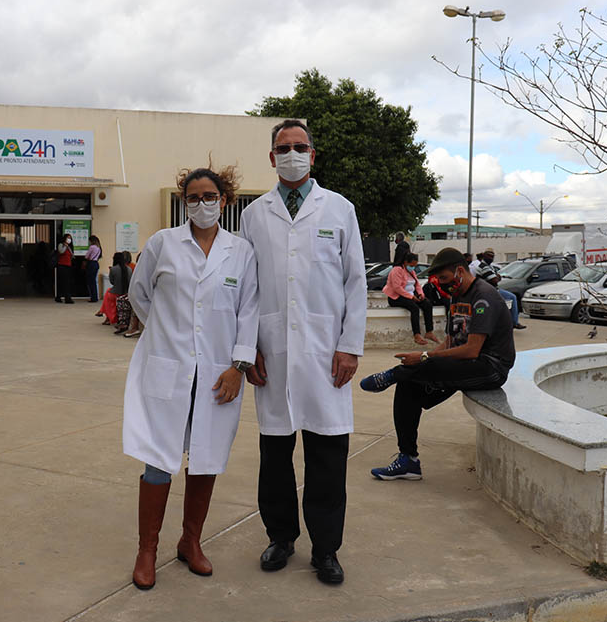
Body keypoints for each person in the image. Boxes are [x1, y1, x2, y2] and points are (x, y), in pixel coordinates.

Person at [239, 119, 367, 585]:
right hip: (271, 351)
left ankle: (326, 549)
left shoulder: (339, 209)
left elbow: (356, 282)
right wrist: (247, 348)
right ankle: (281, 537)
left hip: (325, 352)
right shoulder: (254, 214)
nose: (291, 154)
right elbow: (246, 289)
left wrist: (349, 346)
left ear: (312, 155)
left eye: (299, 147)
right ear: (272, 158)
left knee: (327, 456)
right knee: (275, 456)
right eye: (283, 148)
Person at [123, 165, 258, 590]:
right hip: (168, 368)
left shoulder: (241, 251)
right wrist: (163, 334)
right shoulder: (163, 243)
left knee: (205, 456)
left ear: (224, 200)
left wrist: (239, 366)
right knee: (158, 458)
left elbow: (248, 310)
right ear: (185, 203)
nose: (202, 204)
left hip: (218, 373)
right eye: (194, 197)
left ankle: (190, 542)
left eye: (209, 196)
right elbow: (138, 294)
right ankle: (147, 550)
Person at [361, 247, 515, 480]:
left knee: (414, 370)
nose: (442, 284)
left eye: (444, 278)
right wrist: (424, 357)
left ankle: (393, 374)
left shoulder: (484, 296)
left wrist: (424, 357)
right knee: (409, 384)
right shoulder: (457, 296)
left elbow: (471, 349)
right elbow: (451, 341)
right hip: (464, 365)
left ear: (460, 271)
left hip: (490, 367)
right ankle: (408, 460)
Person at [384, 252, 440, 346]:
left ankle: (429, 331)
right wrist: (411, 297)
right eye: (411, 265)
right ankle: (416, 335)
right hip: (396, 297)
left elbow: (417, 285)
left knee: (427, 304)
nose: (413, 267)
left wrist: (421, 294)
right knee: (414, 308)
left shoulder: (411, 272)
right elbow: (397, 288)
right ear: (405, 262)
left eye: (414, 266)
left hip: (411, 295)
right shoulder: (396, 270)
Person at [475, 248, 526, 330]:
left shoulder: (489, 266)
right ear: (484, 256)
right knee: (512, 297)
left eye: (492, 256)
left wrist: (496, 277)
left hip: (490, 289)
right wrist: (497, 277)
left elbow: (496, 277)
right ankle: (514, 322)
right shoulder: (484, 267)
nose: (491, 258)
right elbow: (495, 280)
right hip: (490, 291)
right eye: (489, 256)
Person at [54, 232, 75, 304]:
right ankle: (66, 298)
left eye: (70, 238)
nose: (69, 239)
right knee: (64, 282)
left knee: (67, 282)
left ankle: (60, 297)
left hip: (68, 265)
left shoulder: (69, 247)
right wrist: (65, 246)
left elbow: (71, 255)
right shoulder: (61, 245)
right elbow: (61, 251)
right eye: (68, 238)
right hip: (62, 266)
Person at [85, 235, 103, 303]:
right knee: (94, 281)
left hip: (91, 264)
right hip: (96, 263)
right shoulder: (99, 248)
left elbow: (87, 256)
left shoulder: (92, 247)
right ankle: (95, 296)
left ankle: (93, 297)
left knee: (90, 282)